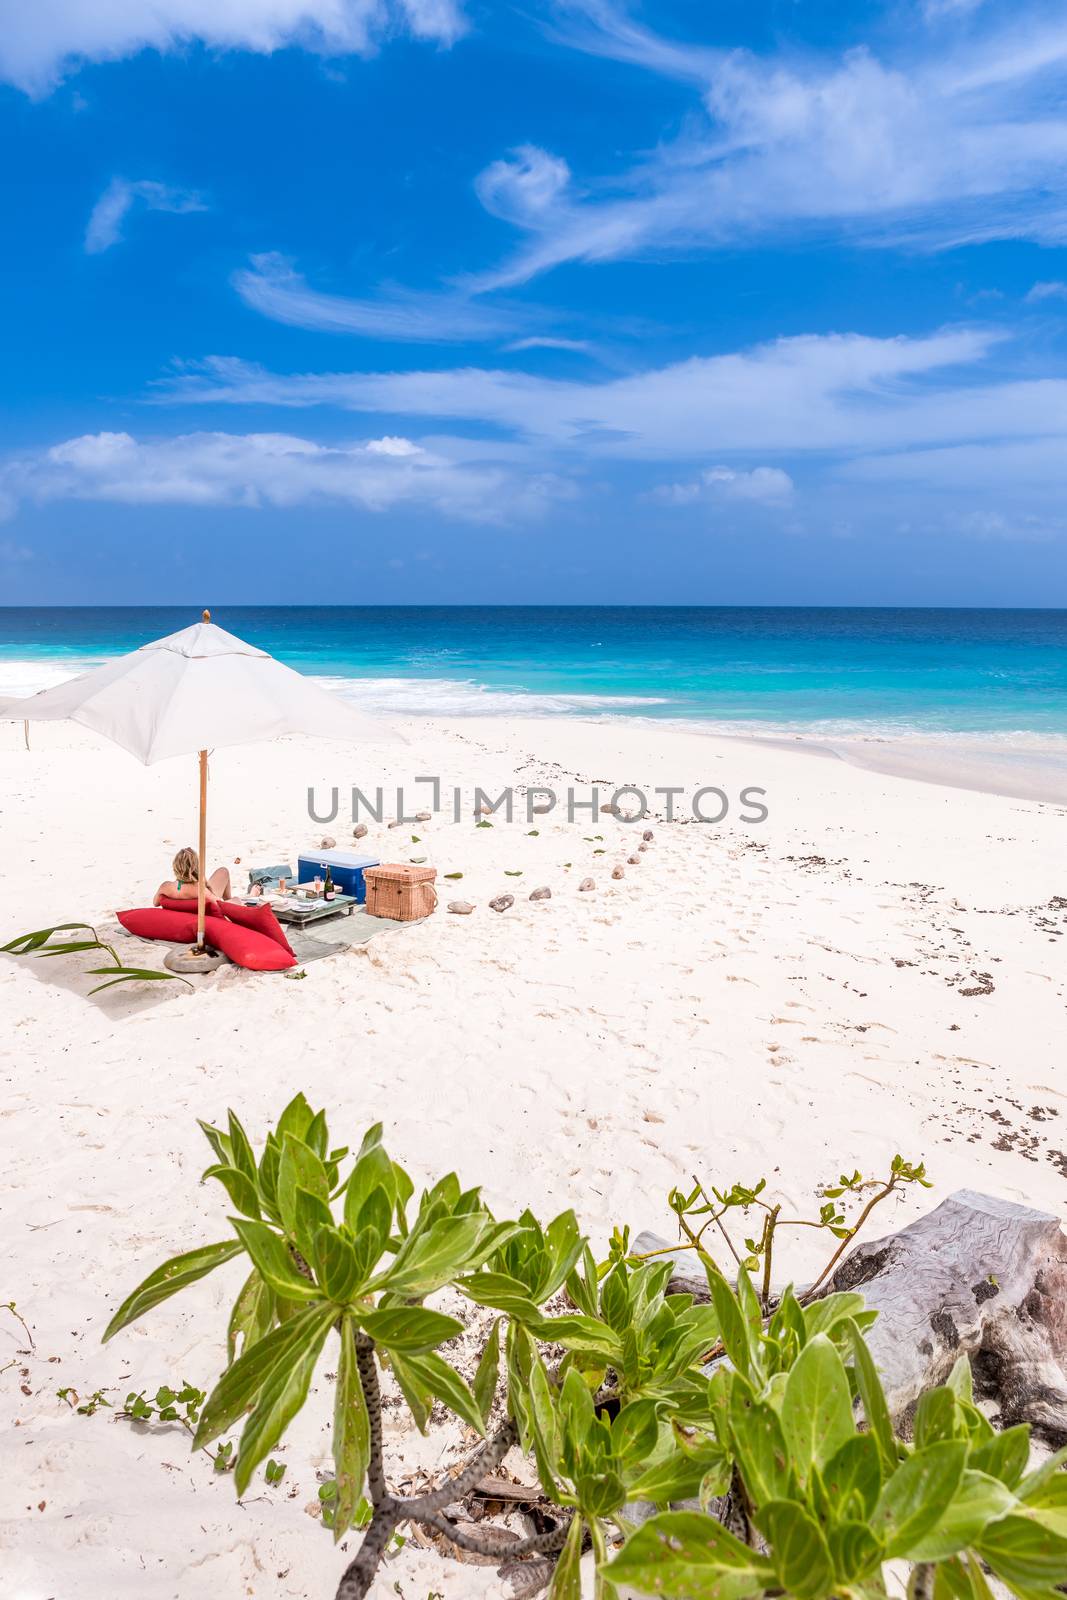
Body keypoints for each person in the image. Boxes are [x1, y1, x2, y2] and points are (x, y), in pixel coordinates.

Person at [154, 847, 231, 907]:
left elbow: (155, 903)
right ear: (195, 867)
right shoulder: (199, 889)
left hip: (183, 908)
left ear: (175, 866)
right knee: (224, 872)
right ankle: (229, 899)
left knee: (222, 871)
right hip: (203, 911)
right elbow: (219, 904)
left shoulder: (165, 887)